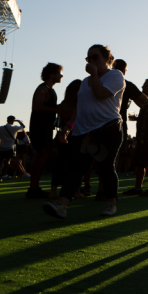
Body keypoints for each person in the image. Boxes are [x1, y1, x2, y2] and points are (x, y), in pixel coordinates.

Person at [43, 44, 125, 219]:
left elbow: (101, 93)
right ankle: (62, 205)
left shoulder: (115, 75)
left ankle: (111, 202)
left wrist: (94, 74)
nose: (91, 61)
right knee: (74, 168)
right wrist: (67, 127)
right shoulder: (85, 82)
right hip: (83, 130)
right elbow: (81, 108)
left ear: (107, 59)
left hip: (107, 128)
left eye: (95, 57)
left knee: (105, 167)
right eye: (89, 58)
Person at [26, 63, 64, 198]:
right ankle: (33, 188)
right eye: (59, 73)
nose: (61, 76)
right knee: (44, 155)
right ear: (51, 74)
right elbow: (36, 107)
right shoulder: (43, 88)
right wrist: (56, 109)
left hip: (44, 127)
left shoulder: (48, 89)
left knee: (41, 155)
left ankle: (33, 188)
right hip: (40, 127)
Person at [123, 78, 148, 197]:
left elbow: (144, 108)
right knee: (140, 163)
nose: (142, 87)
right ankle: (138, 188)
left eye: (144, 85)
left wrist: (133, 95)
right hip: (142, 136)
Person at [47, 79, 82, 199]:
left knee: (59, 163)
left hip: (60, 134)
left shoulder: (63, 104)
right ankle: (76, 191)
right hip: (75, 134)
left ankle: (53, 191)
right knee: (75, 164)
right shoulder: (79, 104)